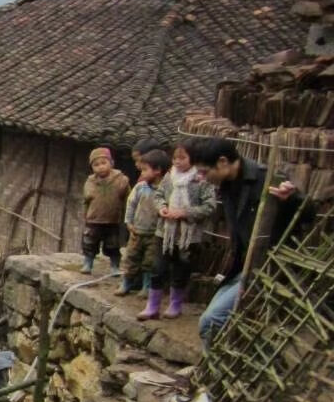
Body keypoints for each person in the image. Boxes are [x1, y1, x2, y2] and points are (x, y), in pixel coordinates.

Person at [191, 138, 305, 347]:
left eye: (204, 172)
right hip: (243, 266)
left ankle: (212, 373)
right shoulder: (227, 185)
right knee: (214, 320)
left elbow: (306, 216)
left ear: (223, 162)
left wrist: (292, 199)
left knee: (211, 320)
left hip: (268, 269)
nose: (201, 178)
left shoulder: (267, 178)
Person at [139, 143, 217, 321]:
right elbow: (158, 196)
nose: (178, 162)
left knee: (180, 270)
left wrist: (185, 213)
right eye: (175, 158)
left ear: (193, 159)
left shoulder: (201, 179)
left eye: (183, 158)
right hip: (165, 232)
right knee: (157, 267)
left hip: (187, 236)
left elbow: (209, 206)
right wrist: (162, 209)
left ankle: (175, 305)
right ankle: (152, 306)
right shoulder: (169, 176)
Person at [118, 149, 168, 297]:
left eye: (145, 170)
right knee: (131, 258)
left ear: (158, 170)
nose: (142, 173)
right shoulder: (140, 187)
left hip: (154, 234)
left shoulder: (166, 191)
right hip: (137, 230)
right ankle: (126, 283)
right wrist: (128, 222)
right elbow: (131, 204)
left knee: (149, 262)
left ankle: (146, 287)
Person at [82, 147, 129, 275]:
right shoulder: (90, 181)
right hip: (93, 219)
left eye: (104, 163)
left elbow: (127, 199)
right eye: (96, 165)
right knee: (89, 243)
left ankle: (114, 267)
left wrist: (126, 218)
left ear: (111, 163)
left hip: (112, 220)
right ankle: (88, 263)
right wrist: (85, 216)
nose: (100, 167)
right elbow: (85, 201)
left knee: (113, 245)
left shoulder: (121, 180)